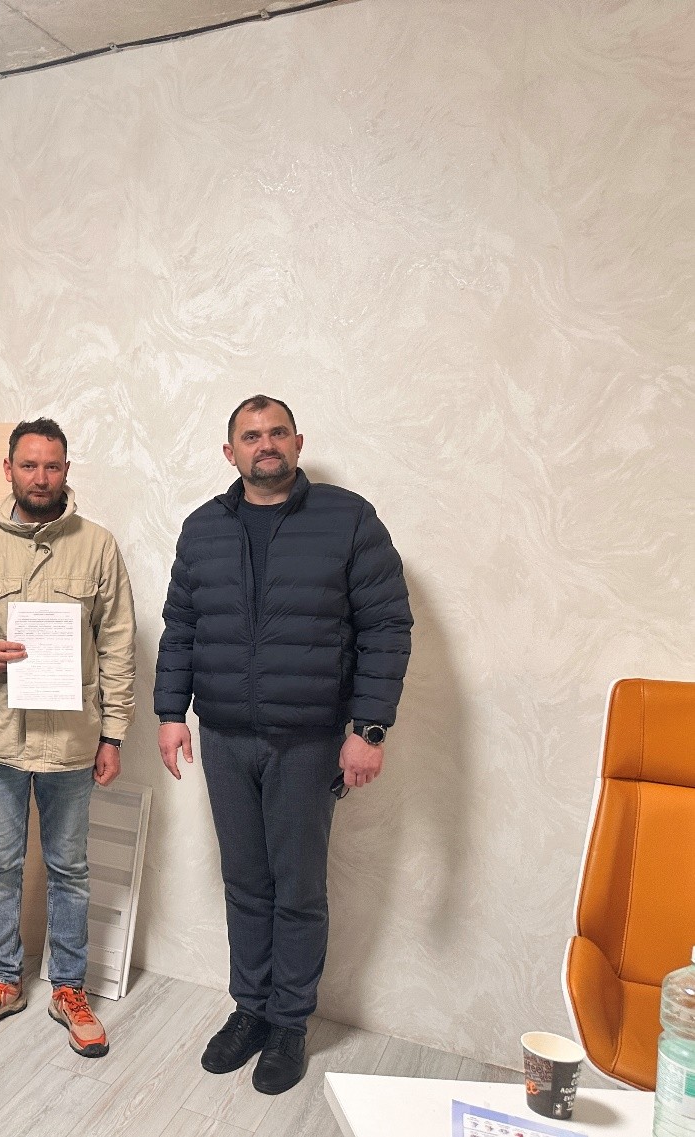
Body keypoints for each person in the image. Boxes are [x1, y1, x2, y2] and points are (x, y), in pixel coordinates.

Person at [155, 394, 412, 1095]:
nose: (264, 444)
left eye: (276, 433)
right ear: (229, 451)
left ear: (298, 442)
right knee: (244, 882)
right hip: (225, 736)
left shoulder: (349, 519)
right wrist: (171, 712)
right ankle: (251, 1009)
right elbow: (181, 625)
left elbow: (387, 626)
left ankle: (290, 1022)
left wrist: (369, 729)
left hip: (308, 740)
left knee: (296, 888)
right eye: (250, 436)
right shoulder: (203, 527)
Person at [0, 418, 136, 1058]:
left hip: (72, 741)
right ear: (9, 470)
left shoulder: (98, 546)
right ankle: (3, 980)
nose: (41, 478)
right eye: (29, 465)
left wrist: (114, 735)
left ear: (66, 470)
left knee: (69, 868)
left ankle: (69, 989)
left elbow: (117, 644)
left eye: (52, 466)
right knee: (0, 864)